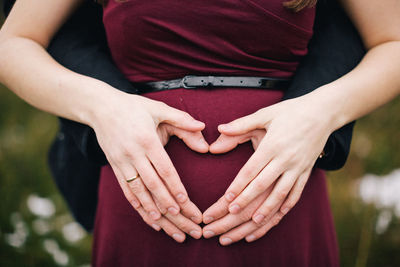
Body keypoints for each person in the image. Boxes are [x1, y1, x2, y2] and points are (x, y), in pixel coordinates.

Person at [0, 0, 399, 266]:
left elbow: (393, 40)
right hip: (144, 210)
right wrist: (104, 107)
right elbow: (14, 42)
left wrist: (321, 111)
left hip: (282, 206)